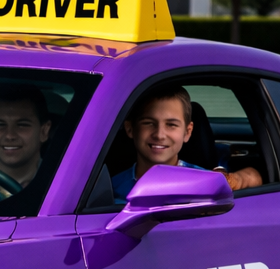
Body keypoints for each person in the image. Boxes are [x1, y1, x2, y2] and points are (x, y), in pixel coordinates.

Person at [111, 85, 263, 199]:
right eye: (149, 123)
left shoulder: (202, 181)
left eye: (171, 125)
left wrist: (227, 181)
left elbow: (254, 177)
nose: (159, 134)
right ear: (130, 128)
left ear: (187, 132)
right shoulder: (111, 188)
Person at [0, 84, 53, 188]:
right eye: (0, 125)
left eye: (22, 125)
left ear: (44, 131)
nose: (9, 135)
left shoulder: (63, 186)